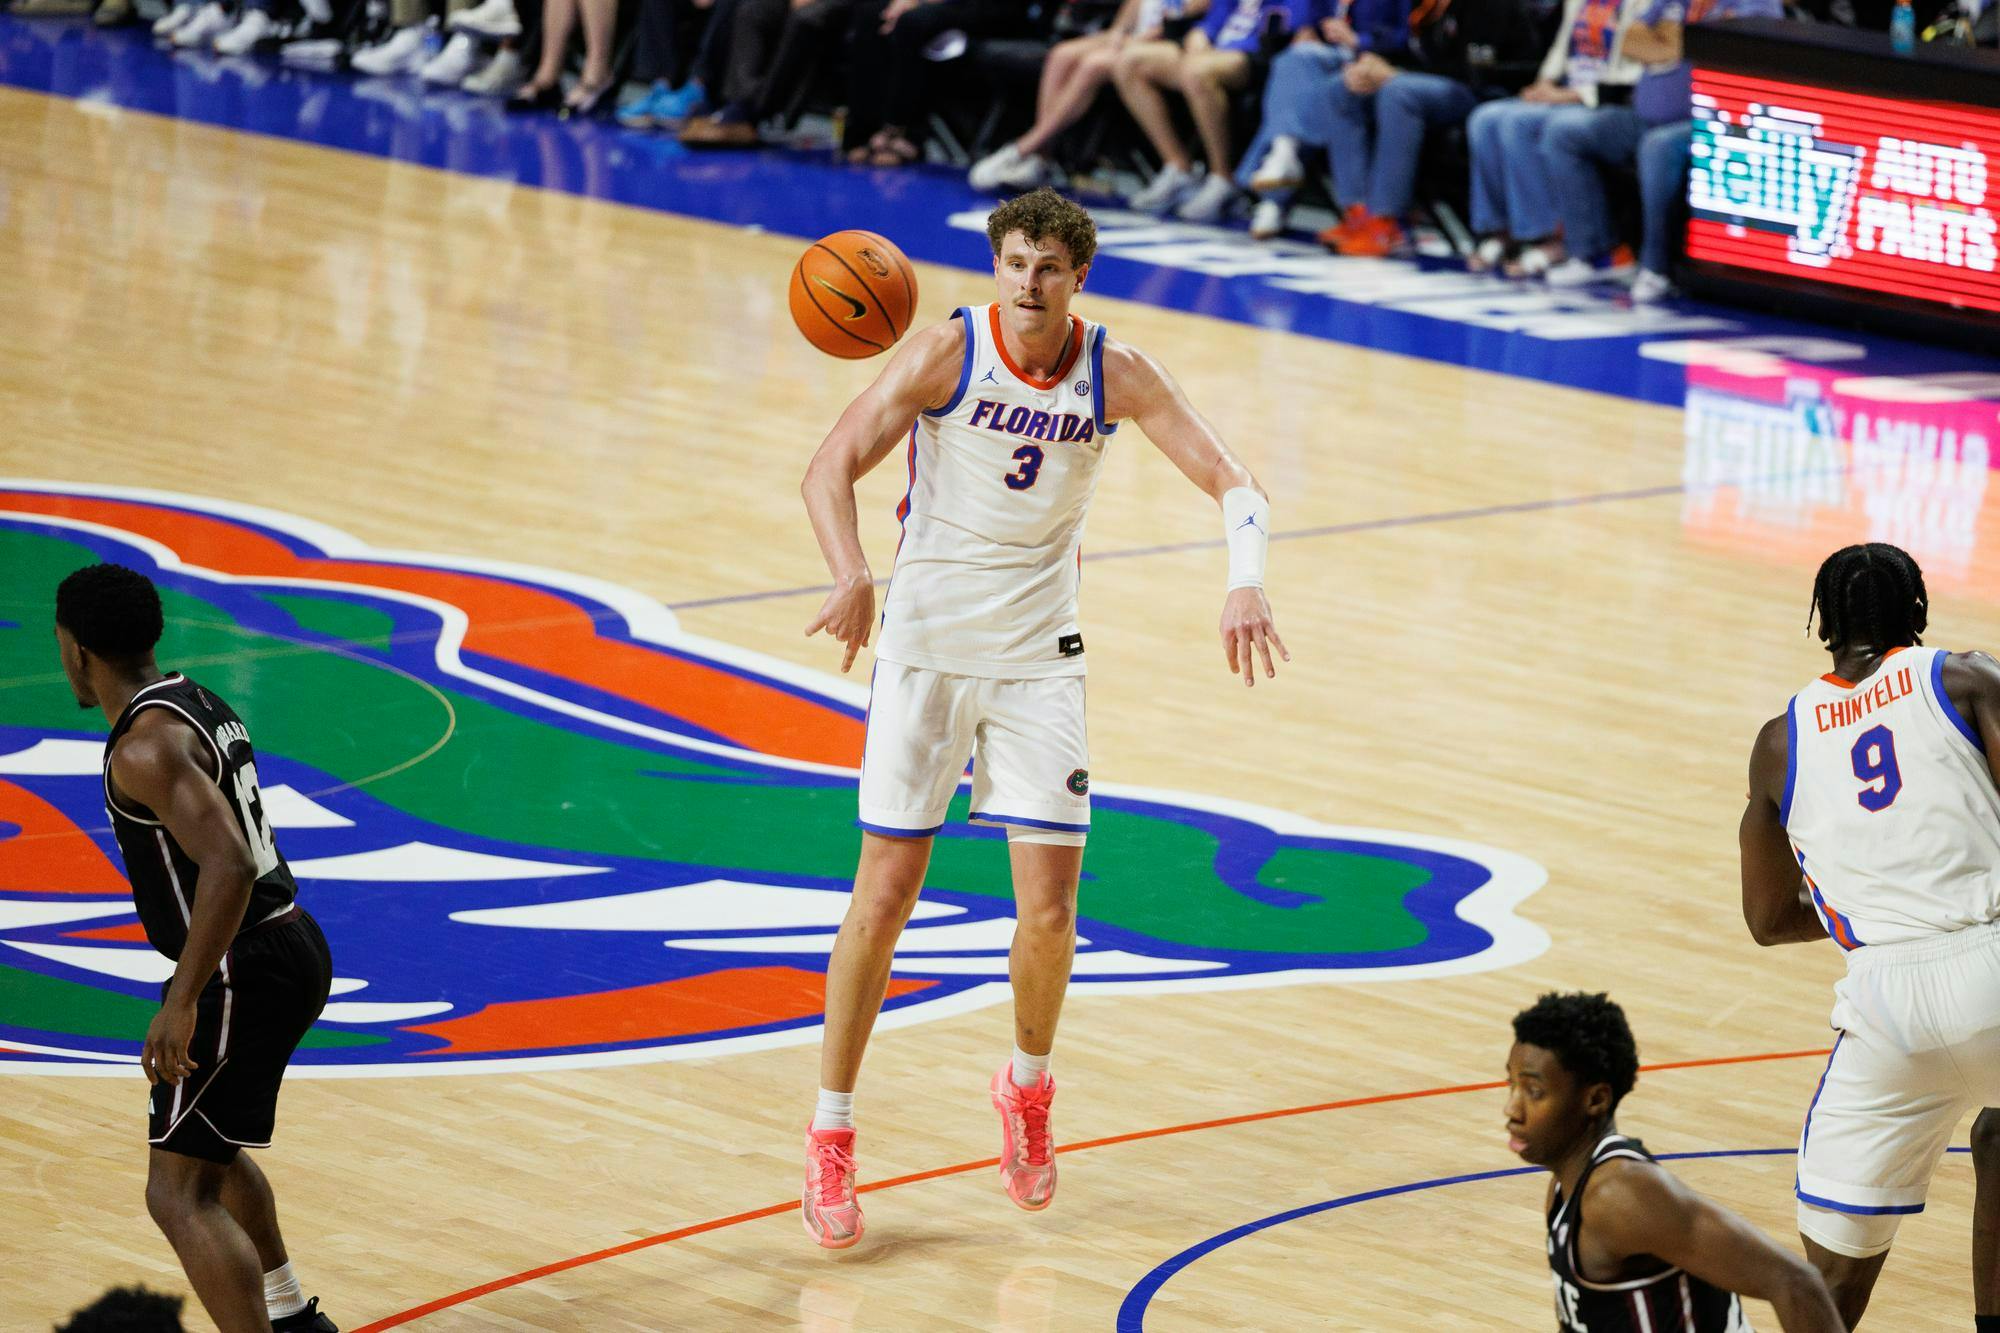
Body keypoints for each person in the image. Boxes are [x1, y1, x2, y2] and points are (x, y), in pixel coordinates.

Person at [795, 188, 1288, 1248]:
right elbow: (828, 464)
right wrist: (851, 573)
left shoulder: (1115, 370)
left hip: (1036, 662)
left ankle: (1025, 1090)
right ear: (995, 266)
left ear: (1077, 279)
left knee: (1051, 914)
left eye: (1048, 267)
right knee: (881, 897)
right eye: (1014, 262)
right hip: (925, 652)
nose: (1027, 282)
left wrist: (1243, 580)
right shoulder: (941, 352)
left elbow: (1234, 484)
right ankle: (831, 1133)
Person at [54, 565, 337, 1333]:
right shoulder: (197, 700)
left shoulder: (143, 748)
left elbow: (230, 863)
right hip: (285, 942)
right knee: (206, 1149)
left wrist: (183, 997)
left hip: (240, 965)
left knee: (175, 1192)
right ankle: (288, 1314)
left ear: (76, 650)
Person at [1740, 542, 2000, 1327]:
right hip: (1992, 957)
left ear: (1822, 625)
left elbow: (1766, 918)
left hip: (1883, 1003)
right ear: (1917, 614)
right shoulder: (1965, 676)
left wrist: (1879, 892)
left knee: (1831, 1278)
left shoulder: (1779, 743)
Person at [1506, 992, 1844, 1331]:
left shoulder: (1620, 1195)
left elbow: (1795, 1281)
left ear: (1595, 1099)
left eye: (1534, 1091)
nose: (1512, 1109)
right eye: (1512, 1085)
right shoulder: (1565, 1189)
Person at [1463, 0, 1644, 277]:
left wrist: (1570, 96)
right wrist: (1544, 82)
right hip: (1562, 92)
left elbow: (1633, 72)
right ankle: (1503, 229)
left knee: (1519, 124)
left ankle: (1547, 237)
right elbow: (1562, 46)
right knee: (1485, 119)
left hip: (1603, 100)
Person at [1112, 0, 1323, 220]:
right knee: (1129, 62)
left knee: (1196, 73)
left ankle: (1222, 176)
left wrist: (1221, 48)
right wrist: (1200, 35)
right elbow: (1214, 18)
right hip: (1214, 48)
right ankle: (1178, 167)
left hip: (1255, 54)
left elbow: (1291, 28)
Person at [968, 0, 1196, 194]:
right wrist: (1118, 31)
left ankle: (1024, 147)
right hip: (1139, 34)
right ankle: (1041, 159)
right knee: (1061, 55)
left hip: (1171, 38)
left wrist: (1143, 37)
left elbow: (1194, 11)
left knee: (1092, 65)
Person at [1237, 0, 1412, 240]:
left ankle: (1276, 180)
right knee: (1298, 64)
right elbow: (1307, 17)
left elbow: (1408, 35)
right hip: (1326, 58)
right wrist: (1305, 30)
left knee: (1306, 76)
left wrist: (1359, 41)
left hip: (1377, 61)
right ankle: (1283, 162)